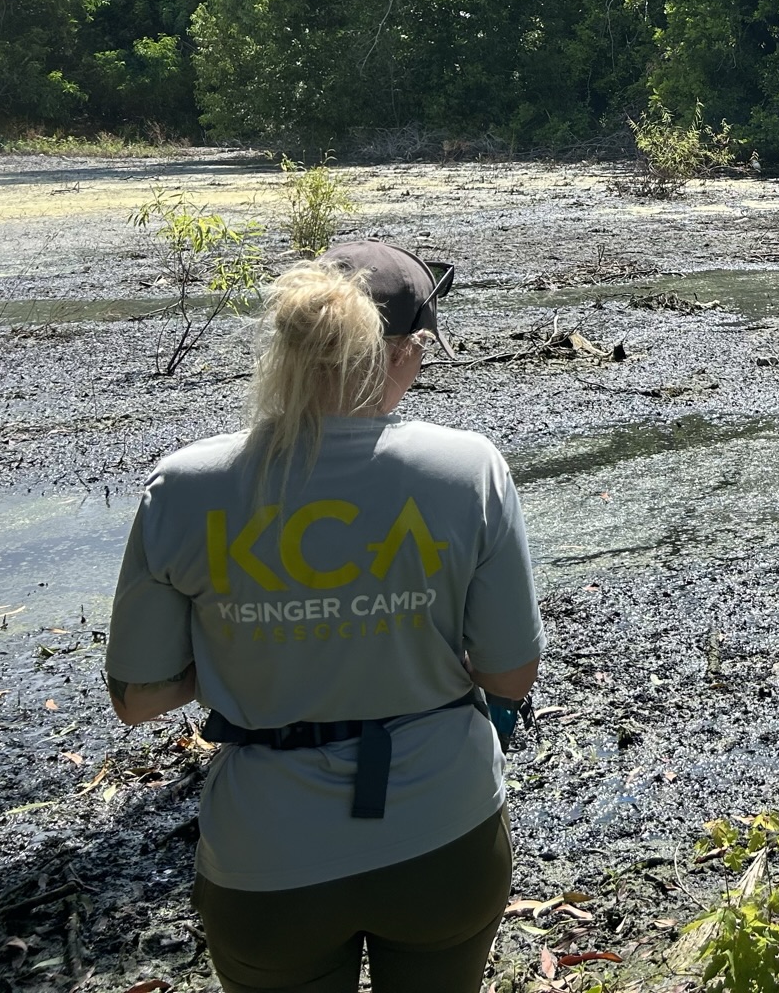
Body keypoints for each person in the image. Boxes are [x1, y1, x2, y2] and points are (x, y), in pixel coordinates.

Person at [103, 241, 544, 993]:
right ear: (405, 352)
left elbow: (136, 697)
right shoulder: (468, 470)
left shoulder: (182, 486)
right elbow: (510, 670)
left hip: (266, 857)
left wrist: (251, 646)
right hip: (443, 828)